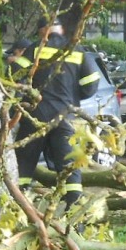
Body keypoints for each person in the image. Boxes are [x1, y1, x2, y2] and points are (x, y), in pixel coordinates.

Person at [17, 16, 101, 208]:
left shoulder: (35, 49)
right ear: (61, 29)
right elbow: (91, 84)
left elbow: (14, 75)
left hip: (36, 115)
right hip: (65, 115)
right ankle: (74, 209)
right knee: (69, 164)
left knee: (24, 163)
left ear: (42, 30)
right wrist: (73, 95)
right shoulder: (76, 50)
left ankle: (19, 207)